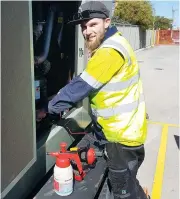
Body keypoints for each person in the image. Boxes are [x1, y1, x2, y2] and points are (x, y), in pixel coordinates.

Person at [48, 1, 149, 199]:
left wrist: (49, 107)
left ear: (106, 22)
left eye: (92, 24)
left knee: (123, 193)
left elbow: (81, 86)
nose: (87, 31)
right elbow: (90, 82)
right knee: (129, 182)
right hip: (125, 132)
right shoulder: (116, 42)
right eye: (84, 27)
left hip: (121, 141)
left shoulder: (109, 51)